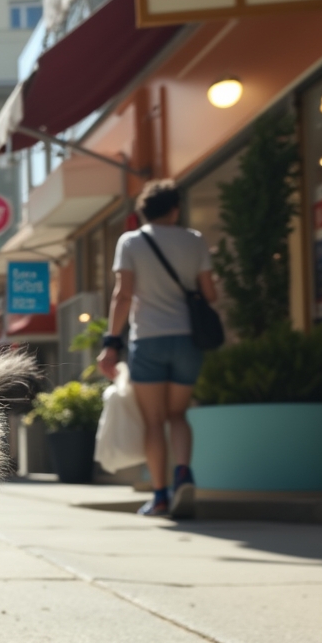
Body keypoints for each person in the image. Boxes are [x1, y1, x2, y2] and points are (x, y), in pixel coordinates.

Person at [98, 179, 218, 518]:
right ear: (175, 208)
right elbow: (210, 295)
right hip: (187, 339)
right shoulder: (194, 240)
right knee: (177, 415)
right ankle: (184, 473)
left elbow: (123, 294)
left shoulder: (131, 242)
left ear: (142, 212)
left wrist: (111, 343)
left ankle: (161, 495)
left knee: (153, 421)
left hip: (148, 340)